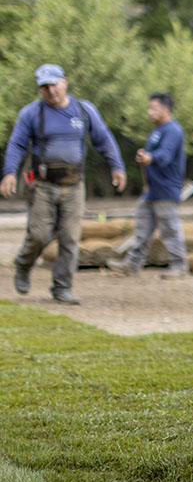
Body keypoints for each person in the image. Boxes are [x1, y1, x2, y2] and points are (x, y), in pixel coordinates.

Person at [0, 63, 126, 304]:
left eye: (54, 84)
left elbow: (104, 139)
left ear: (64, 82)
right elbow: (17, 145)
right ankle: (23, 264)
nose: (51, 91)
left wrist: (117, 166)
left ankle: (62, 288)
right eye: (44, 87)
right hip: (43, 185)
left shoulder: (84, 110)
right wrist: (9, 173)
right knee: (39, 234)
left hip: (74, 185)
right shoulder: (31, 114)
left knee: (70, 238)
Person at [106, 92, 188, 279]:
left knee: (170, 229)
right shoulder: (156, 131)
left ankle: (179, 266)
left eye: (154, 109)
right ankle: (132, 265)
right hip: (152, 190)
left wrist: (150, 157)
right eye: (149, 108)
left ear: (166, 109)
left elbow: (165, 156)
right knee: (142, 229)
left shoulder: (173, 130)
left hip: (166, 190)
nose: (149, 112)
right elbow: (150, 160)